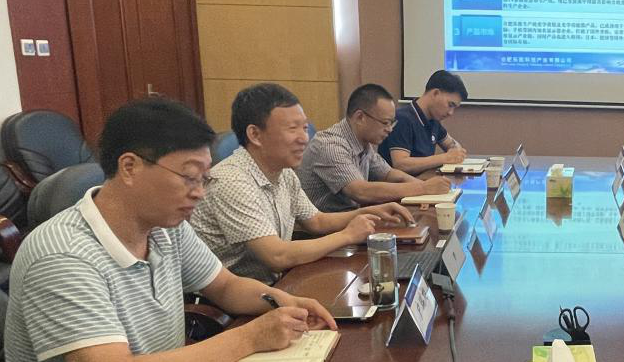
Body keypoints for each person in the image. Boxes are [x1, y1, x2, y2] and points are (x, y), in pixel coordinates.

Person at [3, 98, 336, 362]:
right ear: (130, 167)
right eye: (189, 177)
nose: (200, 192)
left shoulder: (164, 226)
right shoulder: (62, 255)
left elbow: (225, 287)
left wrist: (282, 300)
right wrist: (250, 338)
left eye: (204, 179)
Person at [192, 83, 416, 283]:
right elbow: (277, 256)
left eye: (304, 128)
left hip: (273, 283)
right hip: (230, 303)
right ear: (255, 135)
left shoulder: (284, 173)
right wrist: (347, 235)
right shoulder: (232, 181)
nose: (304, 138)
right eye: (293, 129)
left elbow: (316, 221)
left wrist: (370, 212)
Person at [298, 84, 450, 213]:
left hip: (349, 220)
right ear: (360, 117)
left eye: (392, 123)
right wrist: (423, 188)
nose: (390, 129)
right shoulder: (331, 146)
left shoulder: (363, 142)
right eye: (385, 123)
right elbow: (361, 191)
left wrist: (425, 188)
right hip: (321, 232)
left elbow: (389, 174)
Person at [379, 70, 469, 175]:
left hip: (422, 180)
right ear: (435, 93)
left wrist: (455, 151)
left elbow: (452, 145)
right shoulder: (403, 119)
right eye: (450, 105)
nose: (451, 113)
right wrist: (445, 158)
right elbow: (401, 164)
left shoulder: (433, 119)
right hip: (399, 183)